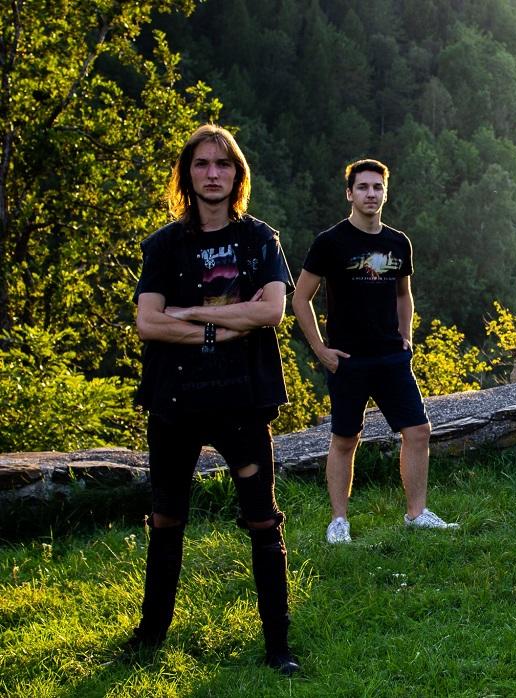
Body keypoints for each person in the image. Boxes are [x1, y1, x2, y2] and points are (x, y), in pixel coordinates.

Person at [127, 125, 299, 673]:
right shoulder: (164, 245)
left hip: (241, 398)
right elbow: (147, 322)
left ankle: (278, 647)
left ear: (237, 174)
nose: (212, 174)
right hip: (174, 399)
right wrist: (220, 328)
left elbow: (271, 311)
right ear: (187, 174)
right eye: (201, 164)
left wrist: (190, 313)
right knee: (165, 518)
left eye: (223, 164)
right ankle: (150, 636)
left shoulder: (260, 240)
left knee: (263, 521)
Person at [292, 158, 458, 544]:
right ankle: (339, 522)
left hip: (391, 357)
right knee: (345, 439)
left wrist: (406, 337)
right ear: (349, 194)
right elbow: (300, 299)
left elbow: (403, 295)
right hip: (347, 359)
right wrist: (320, 350)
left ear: (385, 193)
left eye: (377, 187)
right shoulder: (330, 242)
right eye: (363, 187)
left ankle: (416, 514)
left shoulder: (398, 242)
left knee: (418, 431)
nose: (371, 193)